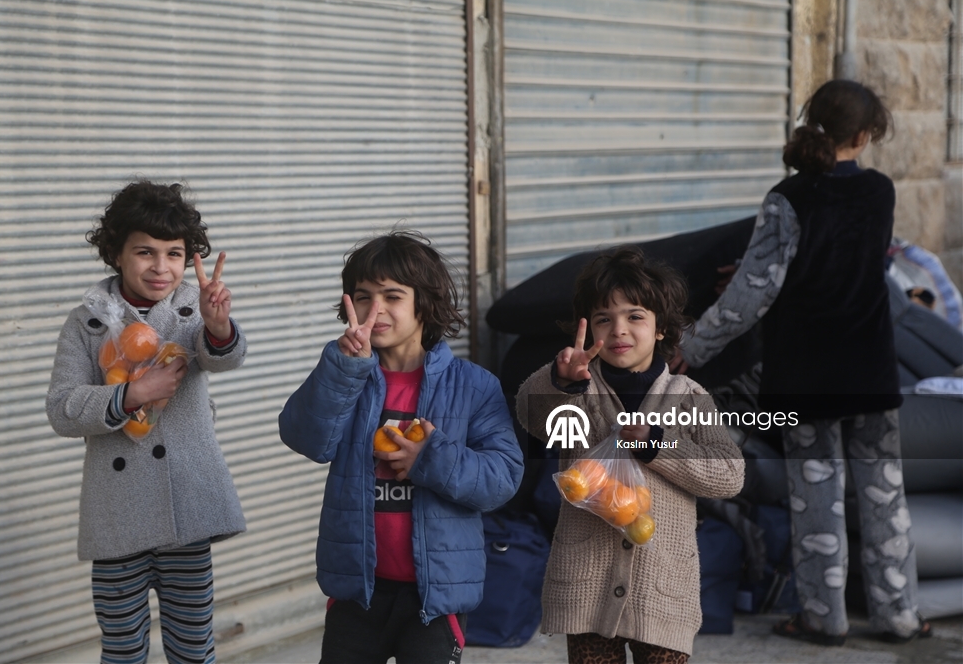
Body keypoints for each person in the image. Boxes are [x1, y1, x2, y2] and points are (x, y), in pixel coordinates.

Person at [672, 79, 931, 644]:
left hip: (806, 376)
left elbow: (750, 296)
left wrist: (689, 348)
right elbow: (848, 263)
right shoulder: (880, 192)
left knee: (817, 498)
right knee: (885, 496)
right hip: (870, 371)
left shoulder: (786, 198)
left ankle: (823, 617)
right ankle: (900, 616)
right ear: (865, 136)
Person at [278, 231, 523, 664]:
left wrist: (430, 458)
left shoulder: (473, 386)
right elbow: (307, 439)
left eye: (392, 296)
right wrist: (343, 370)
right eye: (363, 297)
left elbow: (502, 479)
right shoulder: (346, 375)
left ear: (423, 304)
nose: (376, 310)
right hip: (357, 591)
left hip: (436, 597)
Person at [46, 180, 246, 664]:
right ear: (116, 253)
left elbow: (222, 358)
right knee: (122, 649)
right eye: (145, 252)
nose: (161, 267)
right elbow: (62, 408)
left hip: (186, 509)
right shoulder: (87, 321)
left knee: (193, 647)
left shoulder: (193, 308)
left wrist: (218, 325)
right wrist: (132, 394)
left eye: (174, 254)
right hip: (118, 517)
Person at [515, 247, 744, 664]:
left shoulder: (689, 398)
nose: (619, 329)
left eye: (635, 316)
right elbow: (532, 415)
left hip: (662, 593)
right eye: (604, 319)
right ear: (588, 330)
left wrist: (659, 445)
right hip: (586, 589)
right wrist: (559, 382)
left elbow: (729, 473)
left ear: (661, 329)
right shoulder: (578, 391)